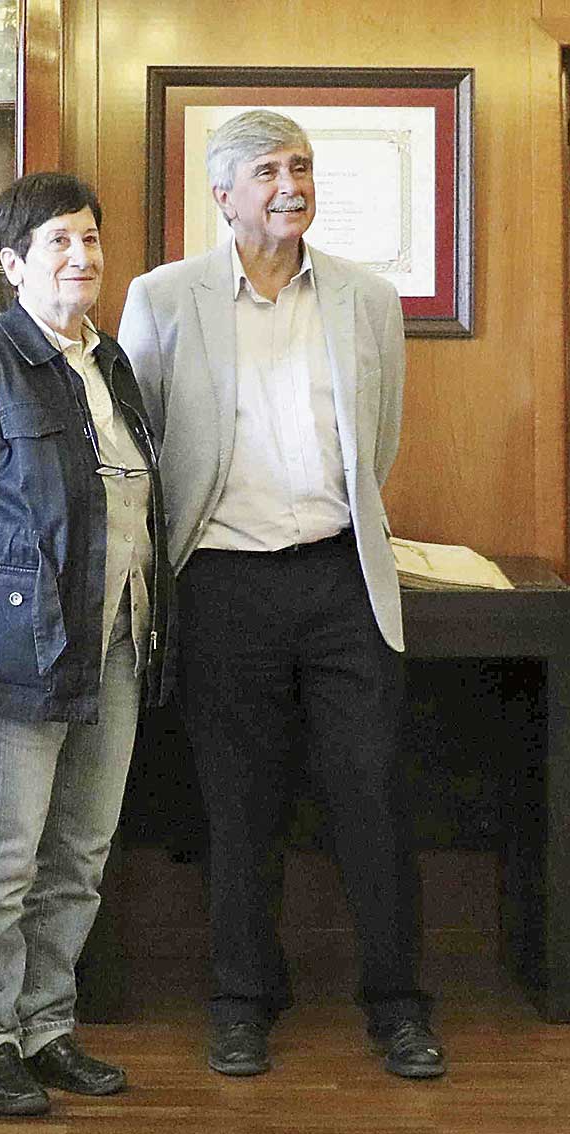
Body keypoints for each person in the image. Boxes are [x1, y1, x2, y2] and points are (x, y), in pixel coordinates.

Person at [119, 110, 439, 1081]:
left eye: (299, 167)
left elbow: (374, 443)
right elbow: (143, 444)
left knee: (370, 791)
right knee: (236, 803)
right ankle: (241, 999)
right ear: (221, 195)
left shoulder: (363, 298)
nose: (288, 186)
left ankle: (396, 1004)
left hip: (340, 576)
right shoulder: (162, 298)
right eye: (265, 171)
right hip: (219, 581)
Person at [0, 172, 167, 1117]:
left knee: (80, 851)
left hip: (118, 643)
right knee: (3, 855)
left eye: (89, 238)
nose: (81, 257)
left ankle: (49, 1026)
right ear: (12, 266)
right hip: (16, 649)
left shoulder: (112, 362)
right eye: (57, 242)